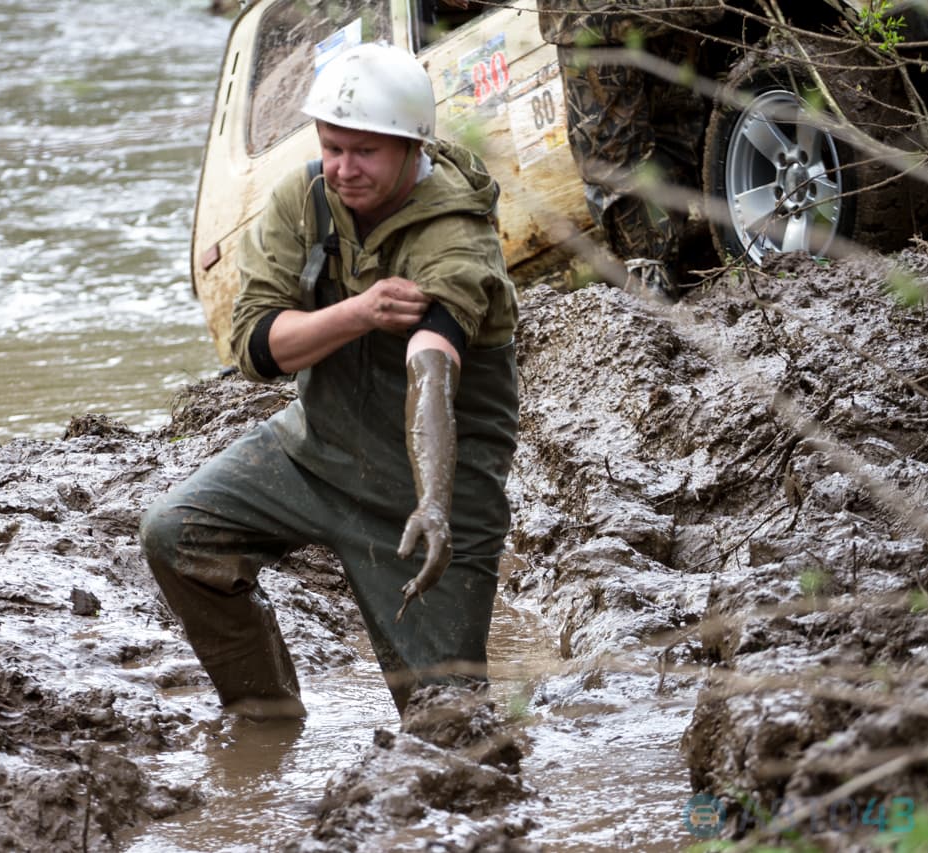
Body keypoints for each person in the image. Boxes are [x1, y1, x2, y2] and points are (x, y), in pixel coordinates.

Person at [139, 41, 520, 719]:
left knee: (449, 720)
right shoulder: (304, 199)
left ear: (411, 147)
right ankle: (265, 716)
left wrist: (432, 503)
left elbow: (431, 365)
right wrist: (360, 311)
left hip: (429, 493)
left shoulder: (456, 233)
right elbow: (255, 347)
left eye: (364, 152)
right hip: (313, 451)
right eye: (332, 146)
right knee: (174, 534)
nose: (343, 168)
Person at [537, 0, 720, 300]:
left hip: (595, 17)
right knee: (672, 123)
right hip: (658, 12)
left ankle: (653, 273)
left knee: (614, 147)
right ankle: (656, 270)